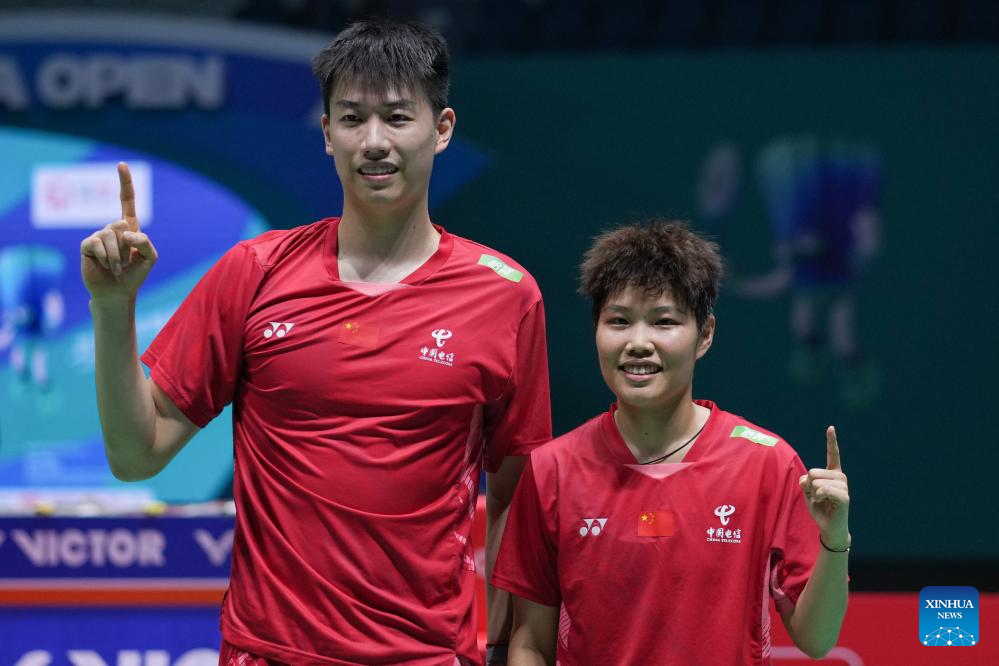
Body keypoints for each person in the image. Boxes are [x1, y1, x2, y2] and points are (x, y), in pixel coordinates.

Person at [80, 19, 551, 665]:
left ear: (441, 129)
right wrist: (112, 307)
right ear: (327, 133)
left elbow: (515, 498)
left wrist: (502, 646)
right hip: (268, 653)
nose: (374, 142)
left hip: (424, 655)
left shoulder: (505, 296)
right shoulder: (254, 272)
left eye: (397, 118)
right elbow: (137, 455)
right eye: (353, 119)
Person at [491, 221, 849, 665]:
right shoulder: (553, 469)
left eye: (664, 322)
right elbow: (530, 643)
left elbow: (817, 639)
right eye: (619, 321)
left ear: (705, 334)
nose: (638, 343)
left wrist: (835, 540)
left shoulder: (767, 464)